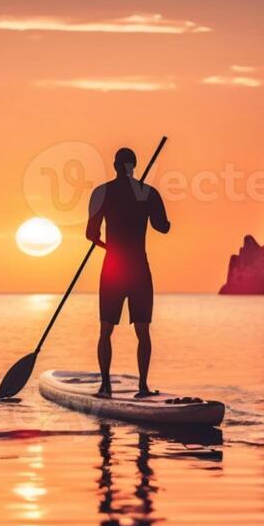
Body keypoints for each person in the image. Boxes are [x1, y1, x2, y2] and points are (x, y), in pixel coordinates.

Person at [86, 147, 170, 398]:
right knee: (143, 331)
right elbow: (162, 227)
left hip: (112, 268)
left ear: (114, 166)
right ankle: (142, 387)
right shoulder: (148, 192)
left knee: (105, 330)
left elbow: (90, 234)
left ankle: (105, 386)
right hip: (139, 270)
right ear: (134, 165)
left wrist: (108, 247)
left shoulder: (102, 192)